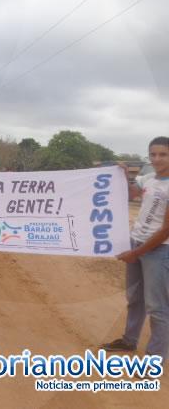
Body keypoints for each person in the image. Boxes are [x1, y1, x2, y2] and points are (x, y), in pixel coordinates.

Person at [100, 136, 169, 364]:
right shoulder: (148, 178)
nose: (157, 159)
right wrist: (122, 174)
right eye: (153, 154)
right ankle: (129, 340)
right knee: (135, 298)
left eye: (163, 154)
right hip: (137, 243)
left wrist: (135, 253)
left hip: (159, 251)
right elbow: (129, 194)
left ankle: (154, 360)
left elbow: (165, 231)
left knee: (157, 307)